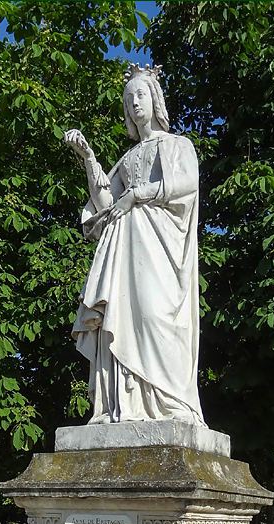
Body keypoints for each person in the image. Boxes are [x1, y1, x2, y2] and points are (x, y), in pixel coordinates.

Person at [64, 63, 206, 426]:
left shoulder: (177, 145)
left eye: (140, 94)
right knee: (122, 316)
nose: (134, 103)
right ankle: (124, 406)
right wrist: (89, 159)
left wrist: (138, 195)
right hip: (124, 248)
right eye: (129, 99)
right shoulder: (127, 158)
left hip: (160, 247)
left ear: (154, 99)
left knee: (156, 316)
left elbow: (187, 183)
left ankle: (170, 402)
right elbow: (105, 203)